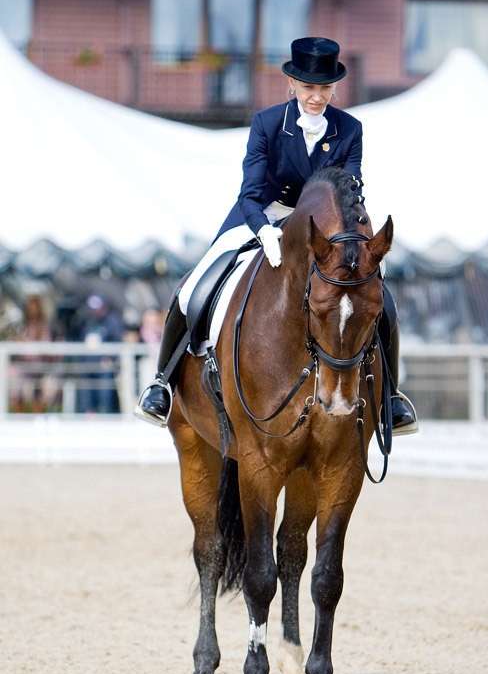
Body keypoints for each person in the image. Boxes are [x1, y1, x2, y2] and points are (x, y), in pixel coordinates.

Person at [136, 36, 417, 435]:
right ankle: (161, 384)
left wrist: (356, 238)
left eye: (324, 88)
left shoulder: (349, 129)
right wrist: (265, 230)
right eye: (308, 88)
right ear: (293, 86)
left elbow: (352, 191)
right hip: (262, 215)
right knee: (194, 286)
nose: (316, 97)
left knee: (378, 296)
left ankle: (390, 397)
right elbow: (249, 193)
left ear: (334, 88)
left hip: (326, 231)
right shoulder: (267, 123)